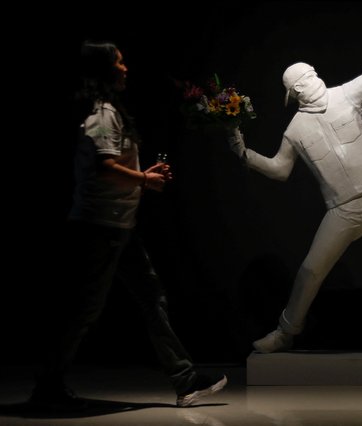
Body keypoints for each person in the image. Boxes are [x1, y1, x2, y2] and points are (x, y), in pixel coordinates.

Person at [30, 40, 227, 410]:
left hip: (118, 227)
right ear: (105, 71)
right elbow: (103, 167)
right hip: (100, 228)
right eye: (119, 62)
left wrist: (142, 174)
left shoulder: (109, 111)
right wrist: (144, 180)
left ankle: (184, 381)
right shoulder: (102, 113)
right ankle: (48, 384)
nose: (125, 68)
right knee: (86, 309)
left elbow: (110, 164)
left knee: (151, 298)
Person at [227, 32, 362, 356]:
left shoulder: (347, 95)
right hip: (341, 210)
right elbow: (280, 169)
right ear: (296, 91)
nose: (310, 81)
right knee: (310, 270)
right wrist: (244, 154)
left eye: (310, 75)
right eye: (302, 81)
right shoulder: (295, 130)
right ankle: (285, 332)